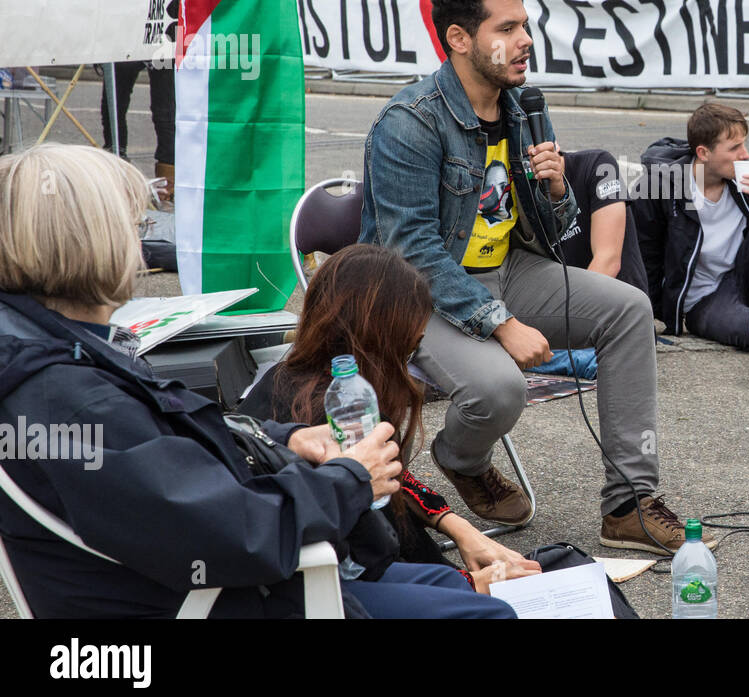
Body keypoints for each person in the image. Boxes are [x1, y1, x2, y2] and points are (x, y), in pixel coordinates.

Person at [0, 144, 522, 617]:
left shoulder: (63, 361)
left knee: (457, 590)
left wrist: (283, 437)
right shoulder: (72, 398)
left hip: (224, 584)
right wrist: (348, 481)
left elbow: (185, 462)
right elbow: (231, 533)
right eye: (132, 227)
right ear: (92, 244)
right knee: (491, 612)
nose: (140, 247)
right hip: (219, 600)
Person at [359, 0, 705, 554]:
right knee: (500, 390)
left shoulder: (522, 108)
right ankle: (459, 457)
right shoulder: (410, 123)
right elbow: (410, 251)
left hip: (507, 272)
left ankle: (628, 503)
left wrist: (555, 191)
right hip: (418, 292)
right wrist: (502, 323)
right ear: (460, 39)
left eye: (526, 25)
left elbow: (550, 233)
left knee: (627, 310)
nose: (525, 40)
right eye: (508, 28)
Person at [240, 243, 541, 579]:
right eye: (410, 343)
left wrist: (456, 526)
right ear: (380, 334)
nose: (418, 342)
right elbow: (379, 566)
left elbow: (391, 475)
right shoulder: (343, 415)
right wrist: (472, 584)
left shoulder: (283, 378)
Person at [633, 102, 749, 349]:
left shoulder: (746, 176)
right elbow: (645, 259)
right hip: (704, 298)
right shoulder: (660, 186)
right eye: (735, 147)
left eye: (744, 143)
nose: (746, 154)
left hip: (746, 275)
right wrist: (655, 316)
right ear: (703, 152)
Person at [527, 146, 651, 380]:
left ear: (553, 145)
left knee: (614, 358)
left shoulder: (597, 164)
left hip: (606, 317)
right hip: (557, 322)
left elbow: (608, 260)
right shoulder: (517, 186)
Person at [99, 60, 176, 203]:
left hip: (160, 43)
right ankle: (117, 168)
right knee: (114, 107)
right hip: (128, 44)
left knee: (165, 113)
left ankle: (168, 185)